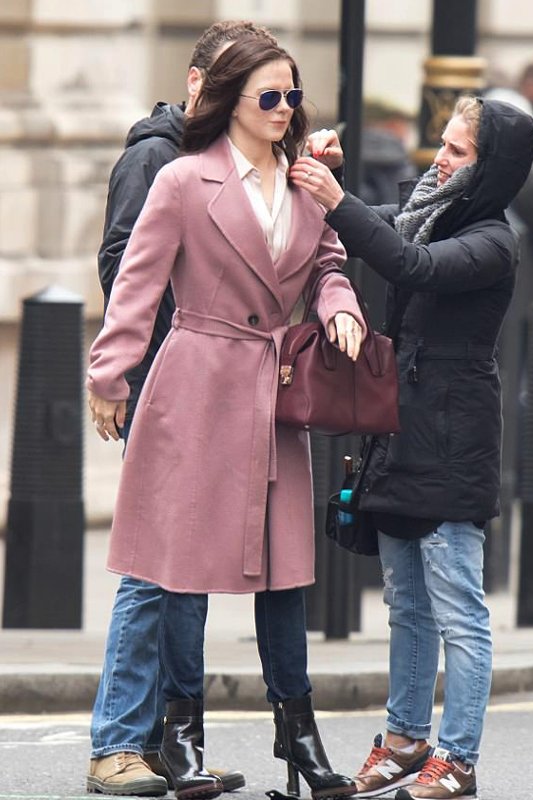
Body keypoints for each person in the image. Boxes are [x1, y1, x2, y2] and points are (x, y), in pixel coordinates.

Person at [87, 35, 364, 800]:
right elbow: (136, 283)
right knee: (179, 567)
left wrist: (339, 309)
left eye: (292, 97)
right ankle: (180, 737)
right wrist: (109, 374)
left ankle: (299, 734)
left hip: (273, 395)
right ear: (232, 101)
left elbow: (330, 263)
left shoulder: (308, 183)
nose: (284, 110)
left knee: (284, 573)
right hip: (195, 386)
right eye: (269, 98)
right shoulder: (181, 179)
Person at [290, 96, 533, 799]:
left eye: (458, 151)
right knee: (405, 605)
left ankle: (456, 758)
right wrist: (335, 174)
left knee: (458, 609)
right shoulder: (427, 212)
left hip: (454, 440)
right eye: (443, 142)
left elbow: (409, 264)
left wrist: (339, 199)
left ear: (489, 168)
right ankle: (404, 740)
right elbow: (393, 240)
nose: (440, 155)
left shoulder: (493, 238)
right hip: (401, 433)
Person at [88, 21, 277, 798]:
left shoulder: (216, 164)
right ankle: (115, 744)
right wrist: (138, 366)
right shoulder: (156, 158)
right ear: (197, 83)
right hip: (172, 391)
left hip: (213, 394)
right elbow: (122, 266)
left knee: (187, 574)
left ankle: (175, 743)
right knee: (151, 569)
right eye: (232, 87)